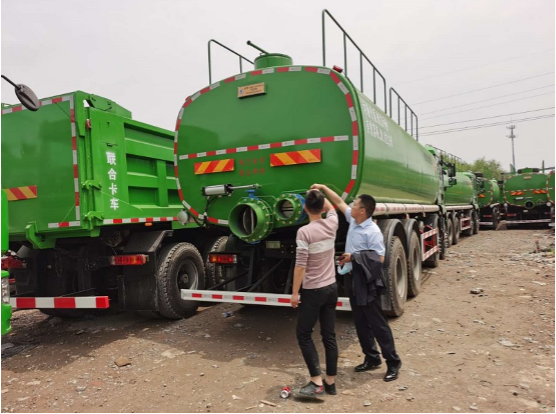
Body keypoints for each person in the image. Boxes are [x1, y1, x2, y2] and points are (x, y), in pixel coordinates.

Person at [311, 184, 402, 382]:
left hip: (367, 281)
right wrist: (323, 188)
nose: (350, 206)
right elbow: (338, 201)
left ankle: (393, 362)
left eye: (355, 205)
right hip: (352, 277)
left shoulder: (372, 231)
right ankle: (372, 357)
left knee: (377, 322)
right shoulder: (353, 220)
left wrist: (354, 257)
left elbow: (380, 258)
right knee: (360, 321)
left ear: (363, 210)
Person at [291, 189, 339, 397]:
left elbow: (301, 265)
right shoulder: (332, 223)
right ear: (322, 206)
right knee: (329, 335)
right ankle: (331, 382)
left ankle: (316, 381)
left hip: (313, 291)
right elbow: (331, 207)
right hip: (332, 287)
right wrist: (320, 190)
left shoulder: (304, 232)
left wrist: (295, 293)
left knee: (303, 334)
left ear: (305, 208)